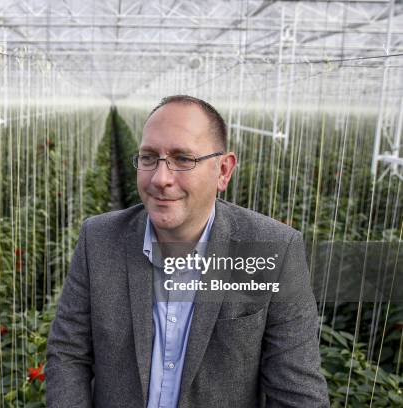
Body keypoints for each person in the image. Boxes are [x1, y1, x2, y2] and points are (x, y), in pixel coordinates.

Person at [45, 95, 329, 407]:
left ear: (223, 171)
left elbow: (297, 394)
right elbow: (69, 354)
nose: (160, 178)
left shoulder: (269, 250)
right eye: (149, 157)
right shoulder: (100, 239)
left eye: (183, 159)